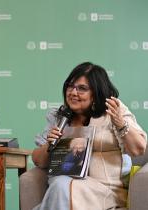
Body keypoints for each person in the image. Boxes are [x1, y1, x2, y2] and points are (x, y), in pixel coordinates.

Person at [32, 62, 147, 210]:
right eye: (70, 86)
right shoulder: (59, 117)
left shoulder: (113, 111)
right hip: (61, 186)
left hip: (103, 189)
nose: (73, 92)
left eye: (82, 88)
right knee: (60, 185)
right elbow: (38, 161)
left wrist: (120, 124)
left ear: (96, 93)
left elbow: (138, 149)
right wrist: (50, 143)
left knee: (60, 186)